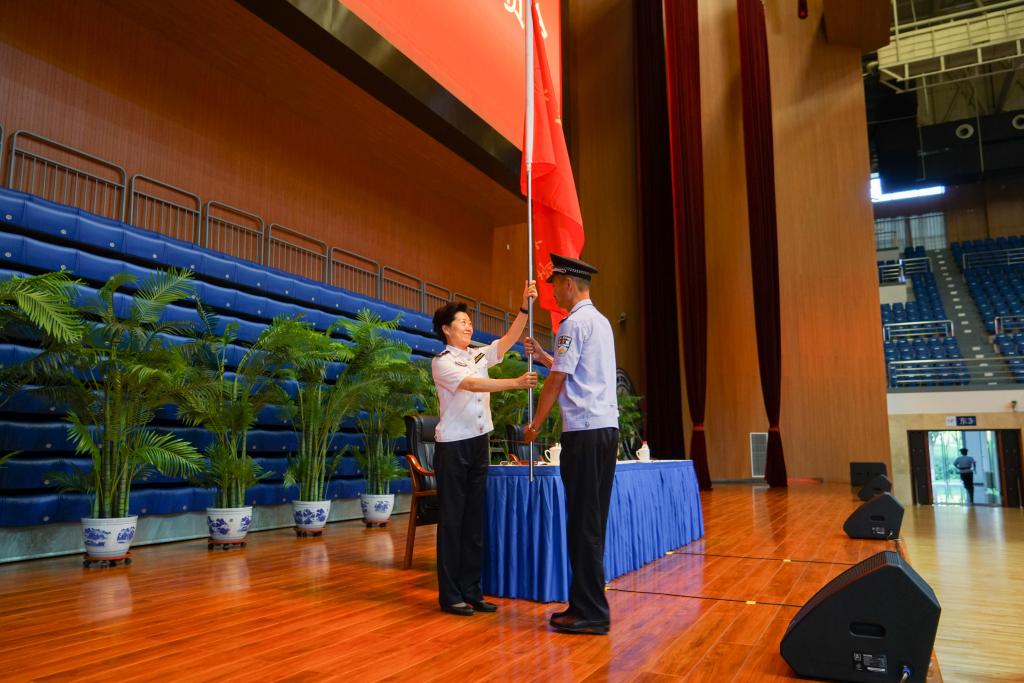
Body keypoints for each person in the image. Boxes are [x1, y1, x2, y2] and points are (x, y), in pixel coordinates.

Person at [522, 254, 619, 636]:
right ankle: (584, 605)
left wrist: (535, 424)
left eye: (555, 286)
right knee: (591, 522)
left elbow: (557, 381)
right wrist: (544, 355)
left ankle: (591, 612)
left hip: (583, 433)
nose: (553, 294)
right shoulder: (601, 322)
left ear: (568, 284)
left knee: (583, 523)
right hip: (603, 429)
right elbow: (576, 371)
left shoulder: (573, 324)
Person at [430, 280, 539, 616]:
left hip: (479, 442)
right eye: (462, 322)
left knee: (474, 520)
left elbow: (507, 341)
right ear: (446, 329)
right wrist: (515, 383)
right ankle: (450, 596)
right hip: (453, 447)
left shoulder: (477, 354)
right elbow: (471, 384)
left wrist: (524, 308)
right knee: (453, 521)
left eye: (469, 322)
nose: (468, 326)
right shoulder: (442, 362)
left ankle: (472, 591)